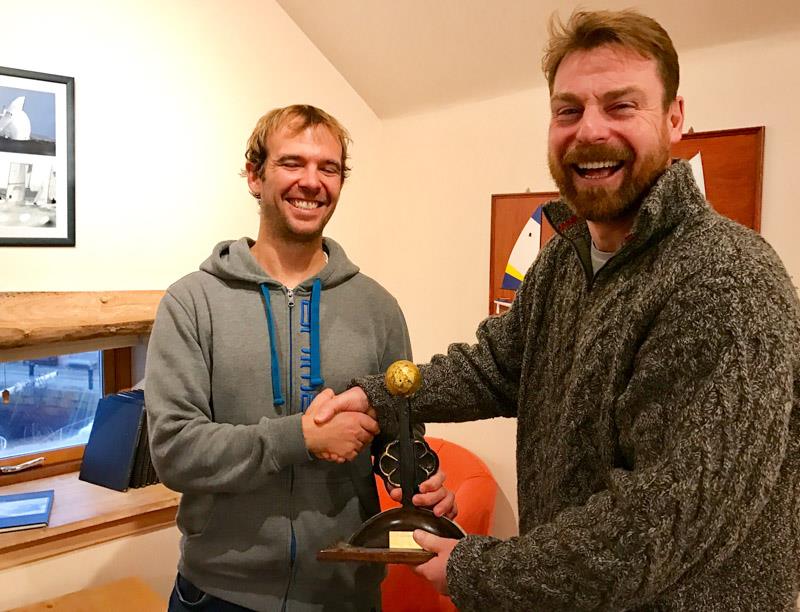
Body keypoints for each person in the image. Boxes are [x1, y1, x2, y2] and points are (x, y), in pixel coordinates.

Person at [313, 10, 800, 611]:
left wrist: (476, 569)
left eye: (622, 106)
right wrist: (378, 395)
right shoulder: (563, 262)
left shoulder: (728, 280)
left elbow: (658, 524)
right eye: (569, 110)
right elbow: (497, 366)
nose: (589, 131)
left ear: (675, 117)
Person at [145, 104, 455, 612]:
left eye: (328, 168)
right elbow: (174, 451)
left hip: (344, 593)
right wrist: (300, 438)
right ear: (254, 175)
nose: (312, 182)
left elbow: (398, 436)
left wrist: (419, 486)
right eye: (293, 163)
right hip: (218, 594)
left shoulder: (378, 308)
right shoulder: (192, 302)